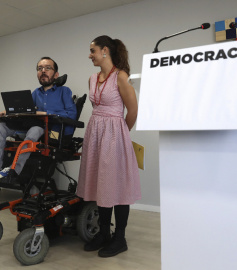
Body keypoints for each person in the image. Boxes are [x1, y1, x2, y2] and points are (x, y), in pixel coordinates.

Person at [76, 35, 141, 257]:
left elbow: (132, 112)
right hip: (95, 136)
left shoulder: (121, 77)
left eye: (92, 50)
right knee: (101, 185)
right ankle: (104, 233)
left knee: (118, 187)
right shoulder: (92, 78)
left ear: (105, 50)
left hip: (114, 137)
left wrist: (120, 135)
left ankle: (120, 238)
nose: (90, 55)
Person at [0, 56, 77, 184]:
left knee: (35, 130)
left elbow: (71, 114)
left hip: (52, 132)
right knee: (1, 127)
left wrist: (46, 113)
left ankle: (14, 171)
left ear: (56, 74)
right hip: (32, 127)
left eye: (47, 68)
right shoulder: (36, 93)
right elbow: (27, 111)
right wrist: (9, 112)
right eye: (40, 68)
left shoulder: (64, 91)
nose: (43, 71)